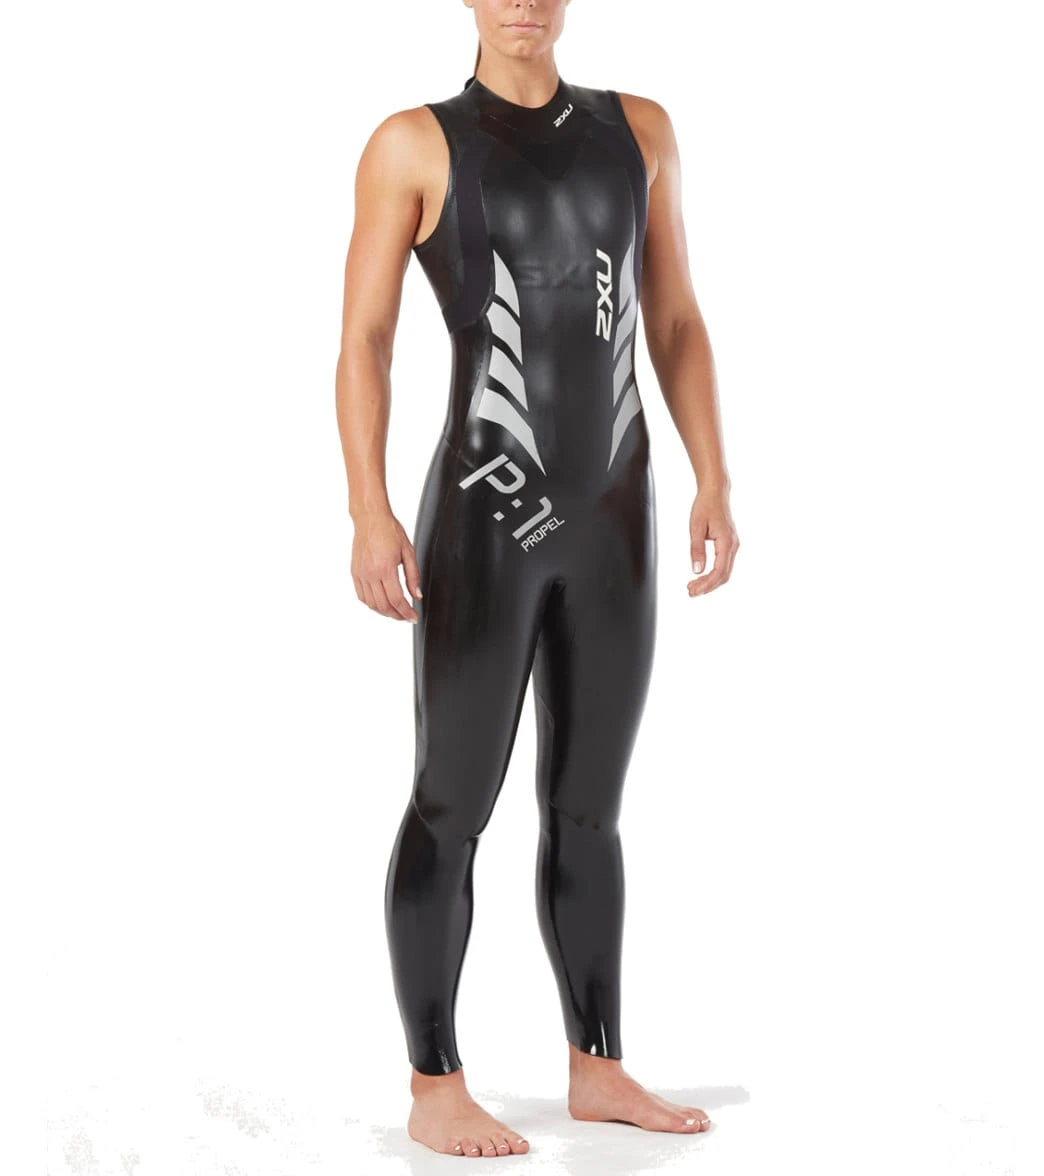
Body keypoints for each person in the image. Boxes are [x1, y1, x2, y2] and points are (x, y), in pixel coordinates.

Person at [335, 0, 738, 1159]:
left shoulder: (640, 130)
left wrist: (713, 476)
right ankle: (435, 1083)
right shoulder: (414, 143)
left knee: (589, 808)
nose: (522, 1)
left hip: (616, 517)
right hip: (488, 516)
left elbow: (673, 316)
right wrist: (367, 508)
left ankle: (597, 1067)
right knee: (453, 801)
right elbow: (365, 340)